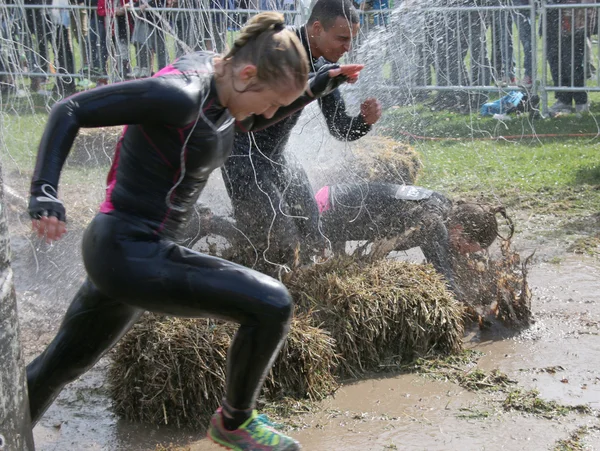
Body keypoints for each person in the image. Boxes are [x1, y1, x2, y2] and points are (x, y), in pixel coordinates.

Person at [26, 12, 362, 450]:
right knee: (273, 304)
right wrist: (45, 192)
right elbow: (70, 109)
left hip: (131, 255)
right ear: (246, 74)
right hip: (129, 250)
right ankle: (234, 421)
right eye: (271, 102)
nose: (271, 114)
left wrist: (319, 86)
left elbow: (246, 120)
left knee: (57, 367)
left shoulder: (224, 90)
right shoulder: (178, 95)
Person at [221, 0, 382, 269]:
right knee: (278, 241)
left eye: (352, 39)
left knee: (313, 231)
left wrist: (365, 121)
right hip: (241, 156)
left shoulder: (324, 64)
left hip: (278, 156)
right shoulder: (280, 45)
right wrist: (320, 82)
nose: (348, 48)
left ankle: (303, 297)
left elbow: (340, 127)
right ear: (317, 28)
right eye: (342, 38)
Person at [315, 183, 510, 295]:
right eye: (462, 248)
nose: (461, 253)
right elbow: (444, 277)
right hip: (322, 210)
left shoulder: (441, 206)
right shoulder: (434, 223)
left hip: (329, 201)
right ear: (459, 229)